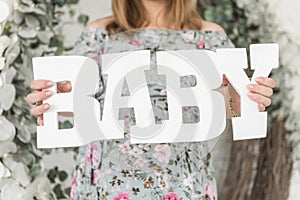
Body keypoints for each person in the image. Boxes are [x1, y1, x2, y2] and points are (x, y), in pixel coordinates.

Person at [26, 0, 276, 199]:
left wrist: (252, 97)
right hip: (106, 184)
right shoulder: (99, 34)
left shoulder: (209, 36)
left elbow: (226, 106)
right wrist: (50, 100)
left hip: (183, 184)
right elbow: (78, 102)